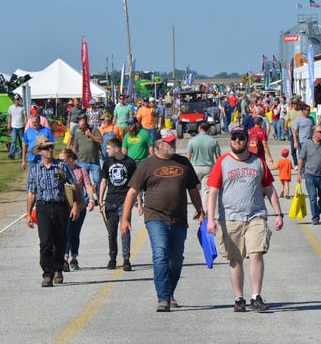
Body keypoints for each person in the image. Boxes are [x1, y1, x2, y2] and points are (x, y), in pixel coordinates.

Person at [120, 131, 204, 312]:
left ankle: (169, 292)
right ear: (159, 144)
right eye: (169, 142)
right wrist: (125, 219)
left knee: (176, 259)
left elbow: (193, 190)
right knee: (160, 254)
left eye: (174, 141)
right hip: (155, 217)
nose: (173, 144)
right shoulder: (146, 165)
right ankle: (163, 298)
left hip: (179, 218)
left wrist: (201, 210)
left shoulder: (183, 163)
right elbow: (132, 192)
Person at [206, 126, 284, 313]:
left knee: (256, 253)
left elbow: (270, 189)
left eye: (241, 138)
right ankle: (238, 297)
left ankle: (256, 296)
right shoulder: (222, 163)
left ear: (247, 140)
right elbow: (213, 192)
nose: (237, 141)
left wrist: (278, 213)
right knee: (236, 259)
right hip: (230, 218)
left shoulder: (258, 162)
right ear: (230, 140)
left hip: (255, 216)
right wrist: (211, 219)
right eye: (234, 138)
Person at [25, 135, 82, 287]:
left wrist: (75, 205)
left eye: (51, 147)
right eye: (46, 148)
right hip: (43, 207)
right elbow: (31, 193)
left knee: (60, 240)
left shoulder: (62, 167)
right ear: (40, 152)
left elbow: (73, 186)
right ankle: (47, 273)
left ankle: (58, 269)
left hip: (60, 207)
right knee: (45, 242)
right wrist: (29, 213)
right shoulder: (35, 170)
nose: (50, 150)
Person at [99, 137, 139, 271]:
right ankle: (112, 258)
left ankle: (126, 259)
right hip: (110, 201)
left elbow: (135, 184)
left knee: (125, 230)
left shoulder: (130, 163)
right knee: (111, 232)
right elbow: (104, 181)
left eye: (109, 148)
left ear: (116, 149)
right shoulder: (107, 162)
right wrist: (100, 199)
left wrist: (139, 202)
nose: (107, 151)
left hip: (124, 201)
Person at [59, 149, 96, 272]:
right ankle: (64, 258)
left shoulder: (81, 170)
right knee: (66, 232)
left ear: (70, 159)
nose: (61, 162)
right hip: (65, 207)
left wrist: (91, 199)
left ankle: (74, 257)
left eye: (63, 159)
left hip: (80, 206)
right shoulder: (59, 171)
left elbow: (88, 185)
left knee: (75, 232)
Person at [296, 126, 321, 224]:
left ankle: (316, 212)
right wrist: (299, 174)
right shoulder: (307, 144)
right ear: (314, 133)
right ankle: (315, 218)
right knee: (313, 196)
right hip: (310, 175)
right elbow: (301, 160)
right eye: (320, 131)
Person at [185, 122, 221, 208]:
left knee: (195, 190)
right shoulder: (213, 141)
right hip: (208, 168)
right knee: (206, 191)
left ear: (199, 128)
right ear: (208, 129)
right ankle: (204, 211)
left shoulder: (192, 141)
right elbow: (218, 158)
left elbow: (188, 157)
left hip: (195, 168)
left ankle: (198, 209)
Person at [68, 116, 103, 191]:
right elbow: (75, 148)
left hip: (95, 161)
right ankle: (87, 199)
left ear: (86, 124)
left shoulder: (94, 130)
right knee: (84, 182)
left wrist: (91, 135)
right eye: (79, 127)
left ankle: (98, 197)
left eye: (82, 127)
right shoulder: (77, 133)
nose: (81, 129)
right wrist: (73, 158)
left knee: (97, 180)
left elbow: (101, 141)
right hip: (82, 161)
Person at [292, 103, 315, 168]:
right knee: (302, 157)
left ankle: (308, 170)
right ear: (303, 111)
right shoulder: (298, 119)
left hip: (310, 141)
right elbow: (294, 131)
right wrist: (295, 142)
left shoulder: (311, 118)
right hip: (302, 141)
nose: (309, 111)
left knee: (310, 156)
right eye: (307, 110)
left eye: (309, 110)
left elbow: (314, 128)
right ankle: (302, 172)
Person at [7, 95, 26, 159]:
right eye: (17, 99)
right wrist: (9, 124)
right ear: (14, 100)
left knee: (21, 141)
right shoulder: (10, 108)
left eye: (19, 99)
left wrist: (26, 125)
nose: (18, 101)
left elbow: (25, 117)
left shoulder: (22, 107)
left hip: (21, 126)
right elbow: (10, 117)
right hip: (14, 127)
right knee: (13, 141)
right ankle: (11, 154)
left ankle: (21, 154)